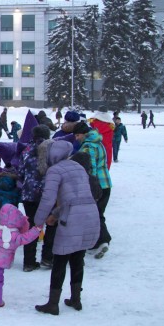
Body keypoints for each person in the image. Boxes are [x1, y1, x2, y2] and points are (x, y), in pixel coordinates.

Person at [34, 140, 100, 315]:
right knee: (78, 257)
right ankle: (76, 299)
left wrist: (37, 222)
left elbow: (48, 199)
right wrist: (55, 215)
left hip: (72, 218)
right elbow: (76, 197)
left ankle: (53, 304)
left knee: (60, 260)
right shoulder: (78, 167)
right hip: (89, 214)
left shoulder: (54, 171)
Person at [18, 125, 55, 271]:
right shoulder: (52, 149)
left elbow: (20, 171)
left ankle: (29, 262)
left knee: (32, 227)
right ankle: (47, 257)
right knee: (51, 224)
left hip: (29, 194)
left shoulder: (26, 150)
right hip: (48, 193)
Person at [74, 121, 112, 259]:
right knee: (98, 213)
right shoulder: (98, 142)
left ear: (84, 134)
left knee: (95, 215)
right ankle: (99, 241)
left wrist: (91, 186)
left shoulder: (88, 147)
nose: (76, 138)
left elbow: (91, 168)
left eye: (77, 135)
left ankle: (102, 241)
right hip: (106, 183)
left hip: (97, 185)